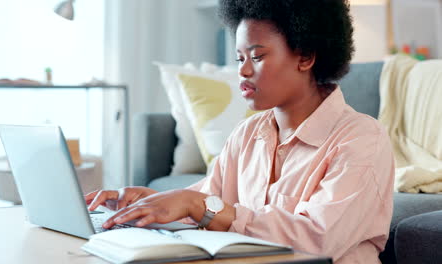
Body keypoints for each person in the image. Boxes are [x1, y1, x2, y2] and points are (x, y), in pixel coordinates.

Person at [85, 0, 394, 263]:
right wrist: (148, 204)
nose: (243, 71)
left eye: (257, 57)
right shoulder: (249, 133)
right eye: (239, 58)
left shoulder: (361, 139)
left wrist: (198, 205)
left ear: (306, 56)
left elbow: (319, 239)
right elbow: (209, 204)